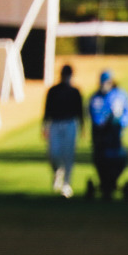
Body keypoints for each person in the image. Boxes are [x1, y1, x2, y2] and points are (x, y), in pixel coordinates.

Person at [87, 70, 128, 201]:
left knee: (119, 157)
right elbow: (94, 116)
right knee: (101, 157)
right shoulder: (95, 98)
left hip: (116, 136)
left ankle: (112, 182)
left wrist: (121, 122)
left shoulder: (120, 95)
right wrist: (103, 123)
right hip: (100, 137)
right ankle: (104, 183)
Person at [42, 64, 85, 198]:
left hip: (70, 124)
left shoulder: (75, 91)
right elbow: (47, 109)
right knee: (53, 153)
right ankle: (57, 172)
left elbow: (80, 111)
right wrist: (44, 126)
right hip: (55, 123)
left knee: (68, 155)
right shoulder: (53, 91)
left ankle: (66, 185)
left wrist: (82, 127)